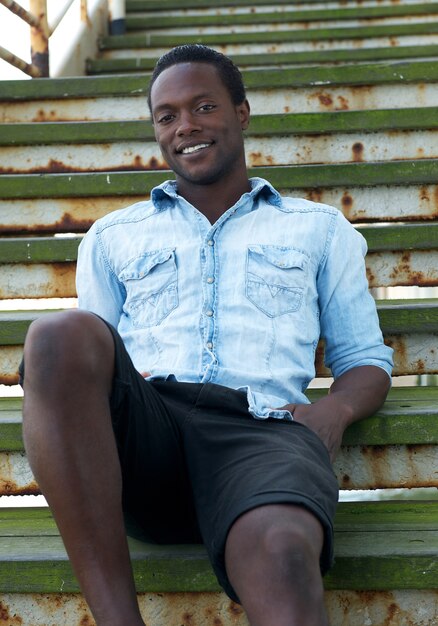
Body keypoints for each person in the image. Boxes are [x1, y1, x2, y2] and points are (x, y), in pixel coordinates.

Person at [20, 45, 393, 626]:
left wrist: (336, 410)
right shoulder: (112, 237)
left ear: (241, 113)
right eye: (166, 116)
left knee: (281, 552)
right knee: (56, 336)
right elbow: (88, 367)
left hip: (261, 437)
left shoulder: (319, 228)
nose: (185, 127)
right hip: (152, 442)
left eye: (202, 107)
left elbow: (366, 358)